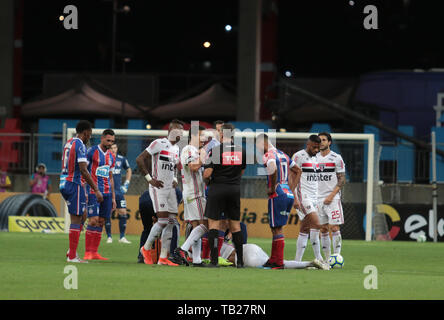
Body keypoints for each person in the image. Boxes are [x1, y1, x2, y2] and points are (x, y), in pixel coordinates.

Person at [137, 119, 184, 266]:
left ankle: (163, 257)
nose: (179, 134)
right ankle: (145, 248)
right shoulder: (158, 143)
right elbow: (140, 159)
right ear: (169, 131)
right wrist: (150, 179)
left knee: (170, 221)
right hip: (158, 188)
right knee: (163, 220)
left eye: (181, 132)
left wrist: (175, 178)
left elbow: (175, 167)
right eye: (177, 131)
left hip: (170, 189)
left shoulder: (176, 149)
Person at [203, 123, 246, 268]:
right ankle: (240, 262)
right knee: (235, 225)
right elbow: (241, 171)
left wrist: (207, 180)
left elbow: (207, 173)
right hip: (234, 189)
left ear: (222, 134)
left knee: (213, 224)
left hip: (217, 188)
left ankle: (214, 261)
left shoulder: (216, 150)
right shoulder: (242, 151)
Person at [256, 133, 301, 269]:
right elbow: (298, 170)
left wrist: (272, 186)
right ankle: (273, 259)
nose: (258, 150)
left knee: (277, 228)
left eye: (258, 146)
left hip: (278, 194)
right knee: (275, 227)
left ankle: (278, 262)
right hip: (287, 193)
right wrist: (291, 189)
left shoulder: (268, 155)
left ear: (263, 143)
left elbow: (272, 167)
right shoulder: (283, 154)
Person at [60, 120, 103, 263]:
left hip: (63, 182)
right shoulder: (80, 144)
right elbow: (84, 169)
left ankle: (71, 251)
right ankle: (72, 256)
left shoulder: (69, 142)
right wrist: (96, 189)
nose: (90, 137)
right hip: (74, 183)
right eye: (89, 134)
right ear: (85, 132)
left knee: (83, 214)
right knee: (76, 218)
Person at [169, 124, 208, 267]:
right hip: (194, 193)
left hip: (192, 193)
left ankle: (196, 259)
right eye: (202, 136)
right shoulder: (189, 149)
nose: (204, 139)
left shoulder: (193, 150)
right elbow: (193, 166)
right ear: (194, 136)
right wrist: (203, 157)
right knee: (206, 224)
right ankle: (182, 250)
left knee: (196, 226)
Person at [291, 135, 325, 265]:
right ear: (308, 144)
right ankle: (319, 259)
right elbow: (291, 177)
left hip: (314, 198)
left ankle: (296, 261)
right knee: (317, 224)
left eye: (318, 148)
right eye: (314, 147)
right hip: (303, 196)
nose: (316, 150)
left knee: (305, 229)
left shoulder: (317, 159)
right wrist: (294, 197)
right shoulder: (298, 156)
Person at [83, 129, 117, 261]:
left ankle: (94, 252)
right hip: (93, 191)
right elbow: (83, 171)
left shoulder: (111, 156)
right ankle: (87, 252)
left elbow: (111, 177)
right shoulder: (91, 151)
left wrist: (113, 197)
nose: (110, 143)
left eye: (112, 141)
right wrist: (85, 190)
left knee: (101, 221)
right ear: (102, 138)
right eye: (108, 140)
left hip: (107, 193)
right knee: (93, 220)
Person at [316, 132, 346, 261]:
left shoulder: (336, 158)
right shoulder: (314, 158)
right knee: (323, 229)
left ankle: (337, 256)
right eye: (319, 140)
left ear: (329, 142)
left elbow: (342, 180)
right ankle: (328, 258)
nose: (321, 142)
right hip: (317, 198)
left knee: (334, 227)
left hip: (333, 198)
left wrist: (332, 195)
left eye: (324, 140)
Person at [221, 243, 328, 270]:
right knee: (277, 262)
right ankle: (309, 264)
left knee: (279, 265)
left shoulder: (210, 251)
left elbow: (230, 258)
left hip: (248, 257)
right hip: (252, 247)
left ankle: (309, 263)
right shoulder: (220, 243)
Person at [107, 143, 132, 244]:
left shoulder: (121, 159)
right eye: (112, 148)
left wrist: (126, 184)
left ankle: (122, 237)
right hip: (108, 191)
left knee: (123, 212)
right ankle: (109, 237)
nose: (113, 150)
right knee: (107, 213)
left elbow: (129, 170)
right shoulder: (105, 158)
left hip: (118, 191)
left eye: (115, 147)